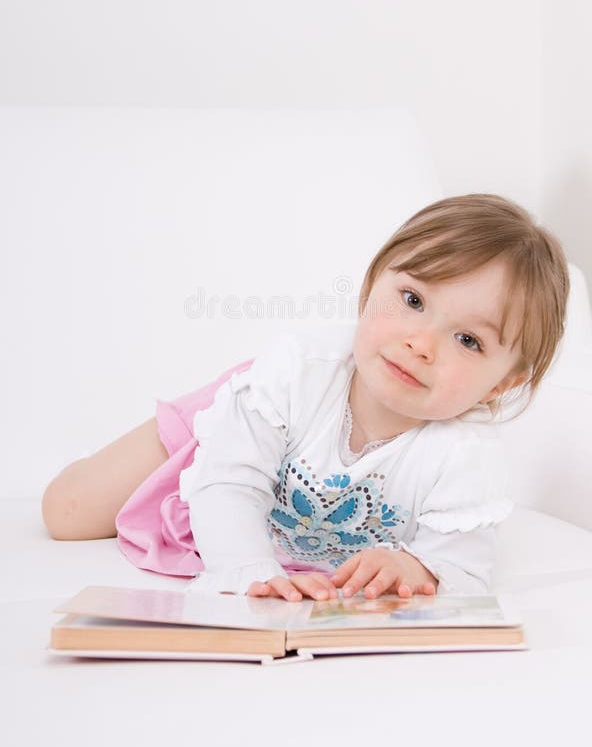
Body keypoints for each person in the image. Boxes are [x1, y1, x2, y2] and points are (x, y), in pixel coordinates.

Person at [41, 194, 569, 603]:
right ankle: (198, 417)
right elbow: (227, 482)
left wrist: (423, 569)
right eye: (412, 300)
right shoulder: (294, 374)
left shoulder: (466, 458)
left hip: (295, 519)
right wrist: (247, 572)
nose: (420, 344)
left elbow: (465, 569)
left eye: (468, 340)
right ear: (370, 287)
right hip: (242, 433)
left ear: (501, 385)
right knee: (67, 511)